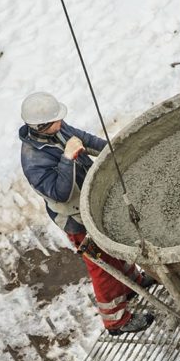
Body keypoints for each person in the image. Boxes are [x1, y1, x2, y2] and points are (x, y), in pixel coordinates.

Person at [18, 91, 154, 334]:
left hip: (91, 203)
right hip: (76, 219)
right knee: (102, 267)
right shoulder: (33, 161)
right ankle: (116, 321)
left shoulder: (57, 129)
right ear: (42, 125)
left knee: (114, 244)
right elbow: (60, 192)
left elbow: (84, 140)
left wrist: (114, 151)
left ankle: (132, 283)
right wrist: (68, 158)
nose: (62, 122)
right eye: (56, 120)